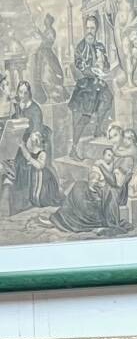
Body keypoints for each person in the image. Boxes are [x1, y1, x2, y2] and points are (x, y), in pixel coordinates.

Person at [68, 11, 113, 151]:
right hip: (86, 86)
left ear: (96, 29)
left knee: (108, 98)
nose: (89, 31)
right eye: (87, 28)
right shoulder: (80, 47)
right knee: (84, 118)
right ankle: (74, 148)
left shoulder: (100, 46)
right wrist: (94, 71)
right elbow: (80, 65)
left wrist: (104, 64)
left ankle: (98, 129)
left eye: (92, 28)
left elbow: (107, 66)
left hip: (98, 84)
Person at [3, 127, 61, 214]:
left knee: (41, 195)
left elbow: (39, 166)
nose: (28, 142)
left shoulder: (42, 153)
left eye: (31, 140)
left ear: (36, 143)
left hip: (43, 177)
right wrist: (22, 148)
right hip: (35, 175)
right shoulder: (32, 151)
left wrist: (30, 159)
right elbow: (27, 156)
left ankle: (39, 200)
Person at [29, 14, 64, 101]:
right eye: (45, 20)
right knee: (40, 74)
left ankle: (53, 94)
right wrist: (37, 33)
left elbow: (48, 41)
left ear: (50, 21)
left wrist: (40, 33)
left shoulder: (51, 31)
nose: (45, 21)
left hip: (48, 54)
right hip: (42, 53)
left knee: (48, 73)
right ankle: (43, 95)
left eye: (47, 20)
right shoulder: (46, 30)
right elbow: (42, 40)